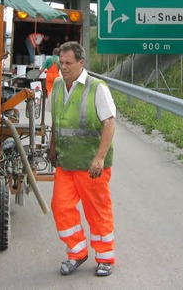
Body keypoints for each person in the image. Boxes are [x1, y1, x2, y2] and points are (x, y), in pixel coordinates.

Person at [49, 41, 116, 277]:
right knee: (60, 207)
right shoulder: (57, 85)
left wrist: (100, 158)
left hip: (91, 166)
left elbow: (109, 123)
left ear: (81, 63)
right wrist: (53, 146)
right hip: (66, 163)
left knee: (97, 210)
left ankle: (105, 256)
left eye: (68, 63)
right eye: (61, 63)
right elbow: (58, 121)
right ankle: (77, 252)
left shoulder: (97, 88)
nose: (63, 67)